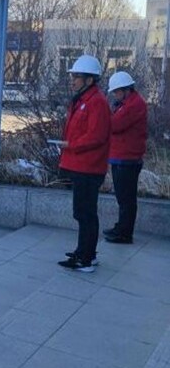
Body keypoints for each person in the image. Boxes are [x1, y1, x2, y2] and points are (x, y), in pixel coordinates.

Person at [58, 55, 111, 272]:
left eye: (76, 77)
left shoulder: (96, 102)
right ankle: (85, 251)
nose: (73, 81)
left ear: (89, 80)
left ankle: (86, 258)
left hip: (89, 167)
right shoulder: (83, 100)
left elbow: (96, 136)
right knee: (83, 212)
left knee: (85, 213)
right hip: (81, 165)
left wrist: (72, 145)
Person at [103, 71, 148, 244]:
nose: (115, 95)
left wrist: (108, 114)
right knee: (123, 198)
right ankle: (121, 227)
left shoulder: (134, 105)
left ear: (126, 89)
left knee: (126, 198)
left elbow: (114, 125)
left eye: (116, 91)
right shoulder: (127, 103)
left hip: (127, 158)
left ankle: (124, 232)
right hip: (122, 157)